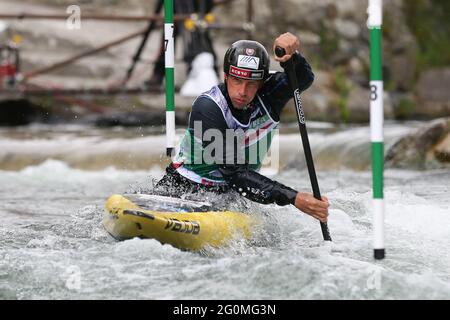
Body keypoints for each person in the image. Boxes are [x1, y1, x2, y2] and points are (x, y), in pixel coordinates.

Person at [155, 32, 329, 223]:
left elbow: (302, 79)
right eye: (237, 81)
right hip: (183, 189)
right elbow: (236, 174)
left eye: (251, 84)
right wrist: (293, 198)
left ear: (262, 83)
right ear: (226, 76)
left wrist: (292, 58)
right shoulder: (208, 108)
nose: (242, 92)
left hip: (233, 196)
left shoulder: (270, 96)